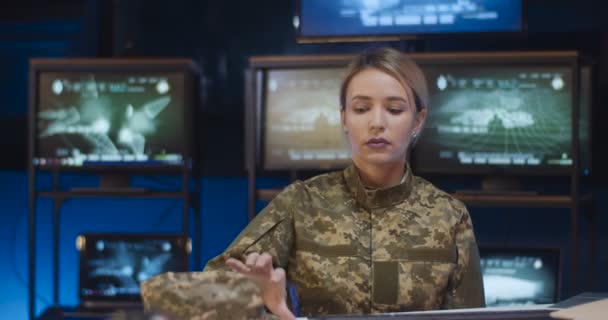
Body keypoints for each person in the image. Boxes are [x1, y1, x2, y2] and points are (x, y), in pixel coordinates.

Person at [204, 47, 485, 319]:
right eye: (361, 108)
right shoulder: (301, 204)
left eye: (395, 109)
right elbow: (212, 290)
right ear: (344, 119)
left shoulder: (449, 217)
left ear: (418, 122)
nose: (377, 122)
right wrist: (267, 308)